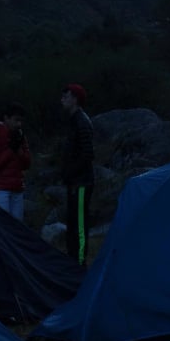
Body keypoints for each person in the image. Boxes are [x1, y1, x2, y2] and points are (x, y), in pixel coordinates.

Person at [60, 83, 94, 266]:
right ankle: (72, 259)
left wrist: (71, 172)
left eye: (66, 96)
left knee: (80, 224)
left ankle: (80, 263)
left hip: (82, 182)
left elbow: (88, 155)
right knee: (72, 223)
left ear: (75, 99)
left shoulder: (82, 122)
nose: (62, 100)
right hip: (74, 182)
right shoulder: (74, 121)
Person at [0, 102, 32, 221]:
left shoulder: (20, 137)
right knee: (3, 226)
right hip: (0, 189)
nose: (19, 124)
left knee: (17, 227)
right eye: (16, 120)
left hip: (17, 188)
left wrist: (19, 151)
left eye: (21, 121)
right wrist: (11, 149)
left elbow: (27, 164)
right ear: (6, 118)